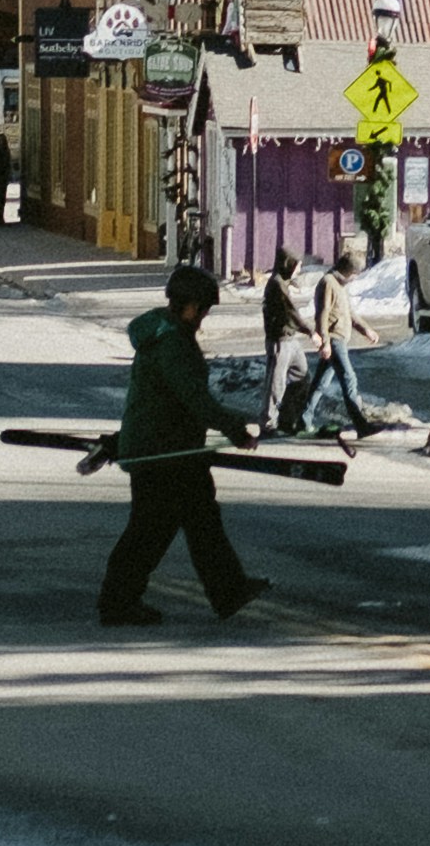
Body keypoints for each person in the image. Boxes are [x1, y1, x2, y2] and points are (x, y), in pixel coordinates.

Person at [95, 265, 266, 626]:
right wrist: (236, 429)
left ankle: (228, 590)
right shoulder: (173, 343)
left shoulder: (166, 333)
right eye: (202, 310)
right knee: (148, 532)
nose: (203, 319)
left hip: (174, 448)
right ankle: (116, 602)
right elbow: (195, 399)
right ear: (188, 305)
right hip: (163, 453)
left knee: (203, 521)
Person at [257, 253, 306, 431]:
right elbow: (291, 312)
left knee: (301, 373)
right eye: (297, 266)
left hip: (290, 339)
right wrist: (310, 332)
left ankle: (287, 418)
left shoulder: (282, 281)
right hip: (280, 340)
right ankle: (268, 423)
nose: (299, 270)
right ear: (288, 265)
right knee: (276, 383)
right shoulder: (277, 284)